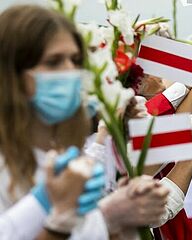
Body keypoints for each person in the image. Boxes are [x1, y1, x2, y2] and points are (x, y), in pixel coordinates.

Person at [0, 5, 169, 239]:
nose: (70, 71)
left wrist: (126, 208)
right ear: (13, 72)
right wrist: (105, 216)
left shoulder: (62, 150)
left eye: (75, 60)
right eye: (54, 62)